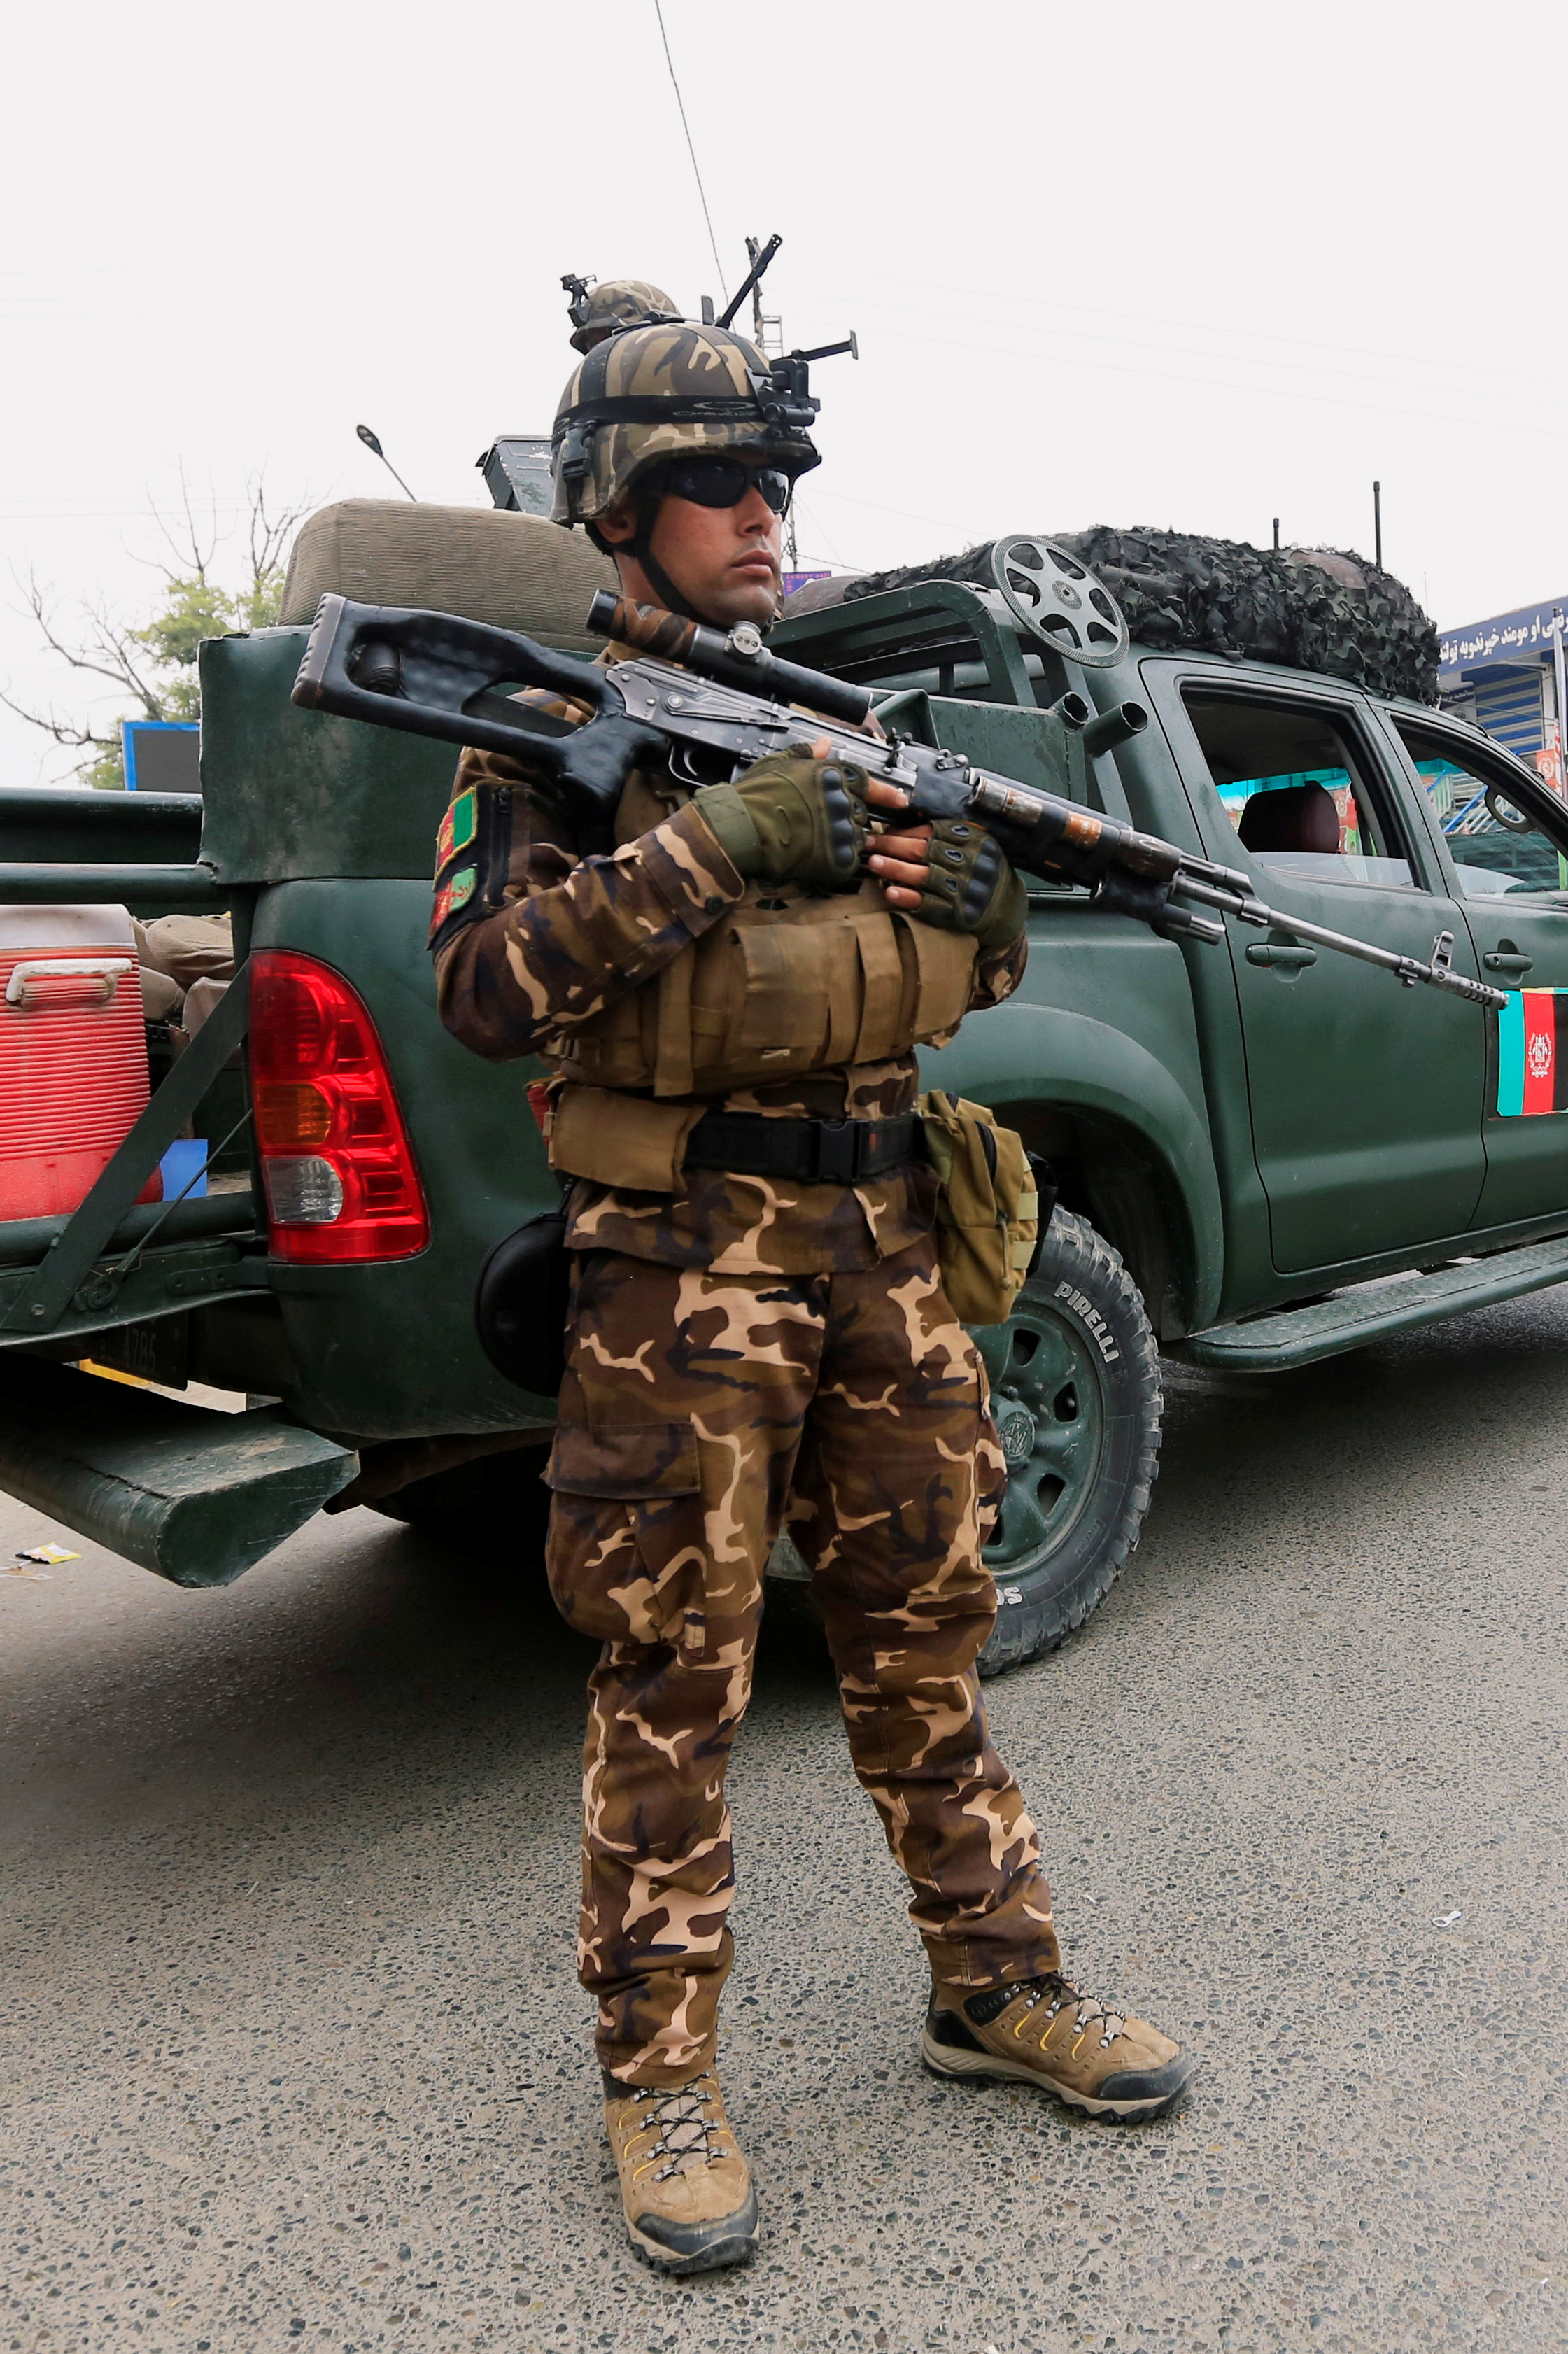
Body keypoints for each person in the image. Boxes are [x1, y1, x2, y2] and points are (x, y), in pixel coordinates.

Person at [432, 286, 1189, 2276]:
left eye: (778, 479)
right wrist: (710, 847)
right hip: (679, 1274)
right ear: (616, 505)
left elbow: (964, 978)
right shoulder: (543, 731)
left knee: (929, 1632)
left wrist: (975, 899)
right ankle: (656, 2076)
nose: (763, 515)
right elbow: (483, 989)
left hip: (881, 1244)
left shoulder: (844, 726)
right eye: (715, 483)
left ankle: (991, 1984)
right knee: (673, 1672)